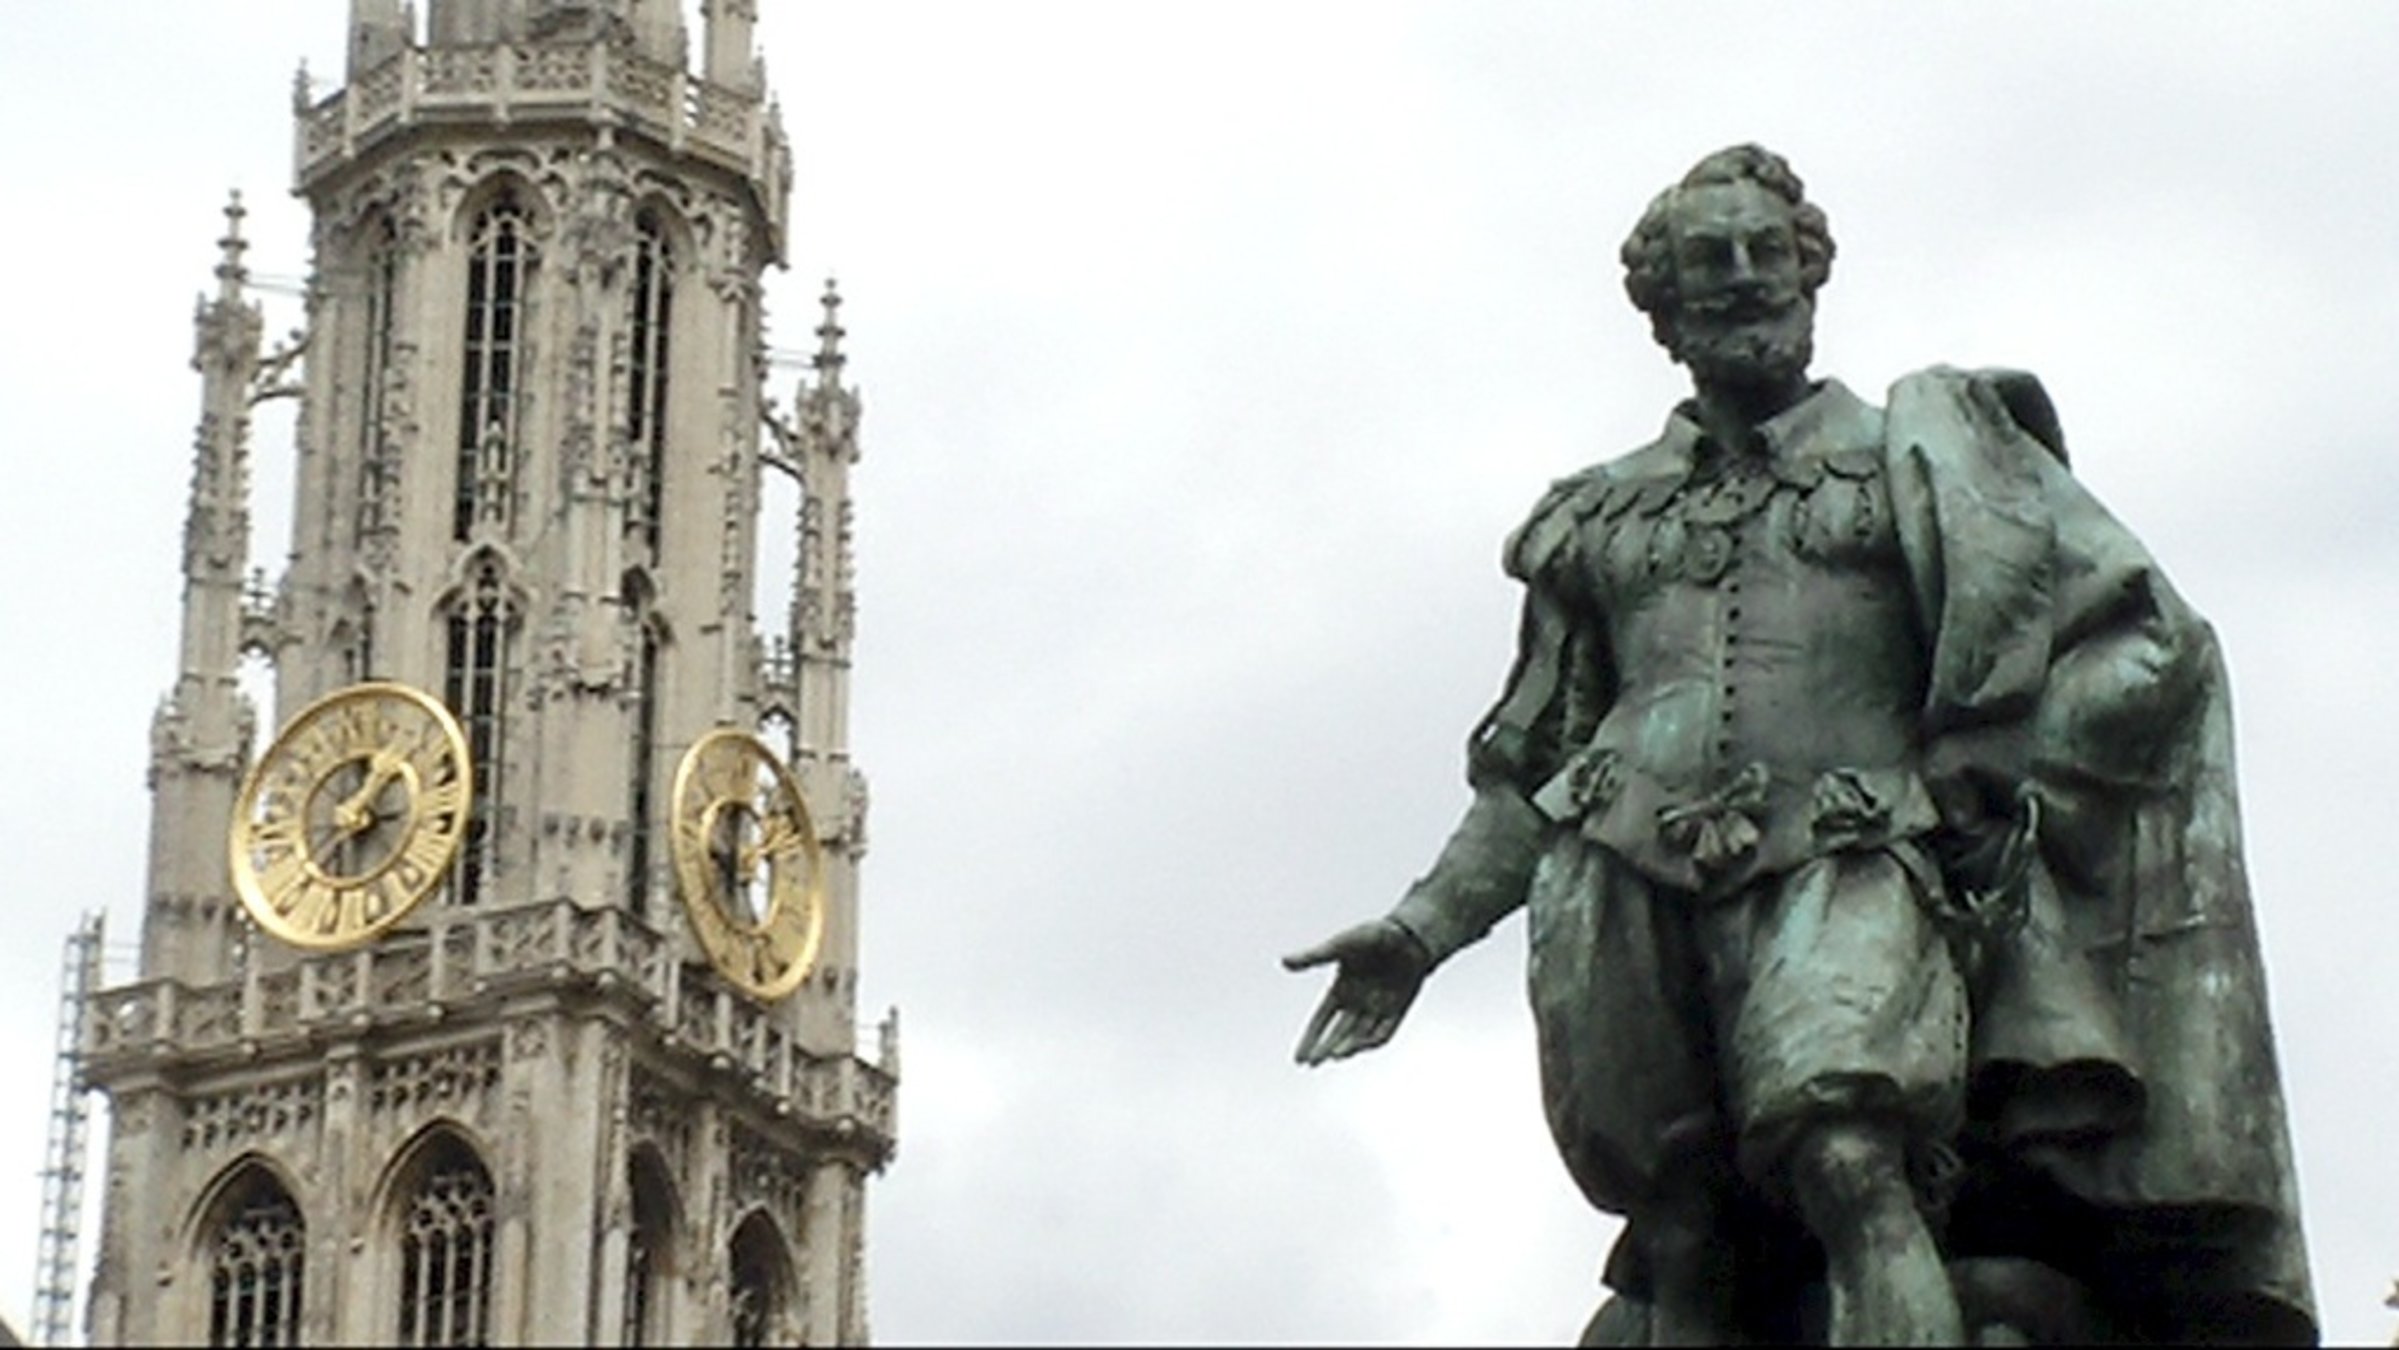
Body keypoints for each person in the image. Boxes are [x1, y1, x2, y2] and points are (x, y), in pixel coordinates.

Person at [1286, 145, 2312, 1346]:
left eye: (1762, 251)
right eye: (1706, 259)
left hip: (1851, 850)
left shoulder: (1926, 458)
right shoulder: (1595, 513)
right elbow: (1531, 768)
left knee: (1848, 1156)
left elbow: (2148, 641)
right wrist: (1419, 931)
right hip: (1617, 882)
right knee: (1680, 1231)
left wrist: (1993, 778)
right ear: (1661, 303)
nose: (1739, 275)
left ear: (1807, 273)